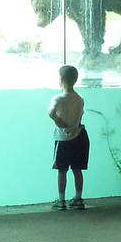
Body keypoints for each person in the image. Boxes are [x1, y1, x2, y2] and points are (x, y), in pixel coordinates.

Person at [48, 63, 88, 211]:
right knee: (77, 169)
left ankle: (61, 200)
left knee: (62, 170)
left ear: (60, 79)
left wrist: (59, 121)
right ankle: (78, 199)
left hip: (63, 139)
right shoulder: (80, 98)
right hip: (79, 137)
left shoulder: (58, 99)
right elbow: (81, 114)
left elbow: (51, 112)